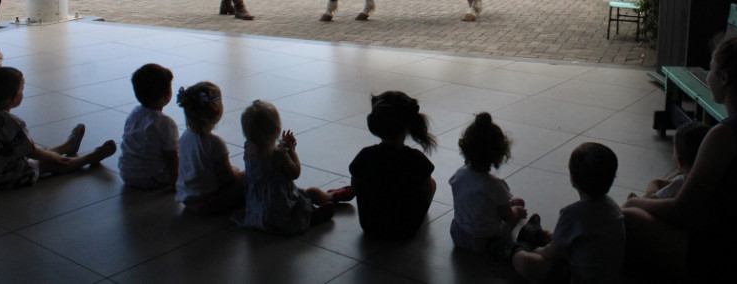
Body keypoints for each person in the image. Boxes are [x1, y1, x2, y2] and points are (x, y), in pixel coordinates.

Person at [621, 35, 737, 284]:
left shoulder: (725, 135)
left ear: (725, 77)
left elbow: (682, 210)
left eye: (711, 68)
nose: (708, 76)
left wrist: (638, 204)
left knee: (628, 219)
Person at [0, 66, 116, 188]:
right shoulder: (13, 123)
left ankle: (67, 147)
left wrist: (45, 154)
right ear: (15, 97)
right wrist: (52, 157)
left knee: (41, 152)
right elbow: (31, 152)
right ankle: (90, 158)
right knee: (52, 163)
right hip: (5, 176)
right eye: (22, 90)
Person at [512, 142, 626, 284]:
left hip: (576, 277)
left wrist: (537, 252)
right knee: (565, 238)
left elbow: (552, 253)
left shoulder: (573, 214)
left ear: (573, 179)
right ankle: (537, 234)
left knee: (526, 263)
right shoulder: (613, 207)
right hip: (607, 276)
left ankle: (518, 248)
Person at [234, 100, 342, 234]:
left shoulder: (248, 150)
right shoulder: (279, 155)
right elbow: (295, 172)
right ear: (277, 128)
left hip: (257, 211)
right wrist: (291, 150)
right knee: (312, 193)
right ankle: (331, 198)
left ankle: (316, 210)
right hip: (282, 210)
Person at [449, 112, 548, 256]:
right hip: (485, 241)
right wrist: (517, 212)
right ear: (499, 154)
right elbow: (508, 217)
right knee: (516, 208)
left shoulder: (458, 175)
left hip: (458, 235)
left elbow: (472, 200)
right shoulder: (495, 186)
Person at [349, 90, 436, 239]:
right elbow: (425, 188)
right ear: (409, 125)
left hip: (371, 227)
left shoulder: (365, 155)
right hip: (406, 229)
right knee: (431, 183)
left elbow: (355, 188)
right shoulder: (415, 159)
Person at [175, 81, 245, 213]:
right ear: (218, 111)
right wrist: (237, 174)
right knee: (246, 177)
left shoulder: (184, 136)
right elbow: (227, 179)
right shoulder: (215, 144)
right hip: (208, 201)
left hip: (187, 199)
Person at [118, 64, 180, 189]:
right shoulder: (165, 123)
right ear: (168, 93)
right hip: (152, 177)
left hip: (126, 174)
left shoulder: (134, 114)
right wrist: (176, 184)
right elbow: (171, 158)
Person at [629, 121, 710, 201]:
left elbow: (652, 200)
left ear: (680, 161)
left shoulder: (680, 183)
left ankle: (637, 200)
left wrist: (654, 183)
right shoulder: (711, 179)